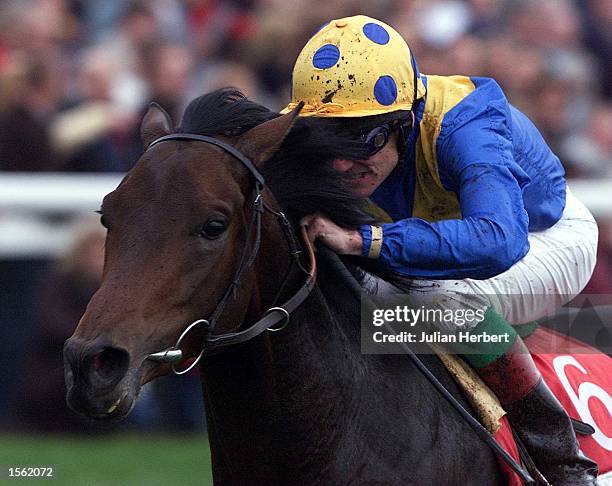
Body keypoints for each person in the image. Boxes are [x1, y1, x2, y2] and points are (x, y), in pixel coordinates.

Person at [282, 15, 599, 484]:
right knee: (358, 299)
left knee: (437, 302)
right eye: (327, 141)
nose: (343, 163)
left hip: (543, 238)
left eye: (362, 140)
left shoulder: (467, 123)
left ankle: (559, 452)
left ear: (405, 122)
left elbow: (498, 240)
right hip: (447, 244)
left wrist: (366, 240)